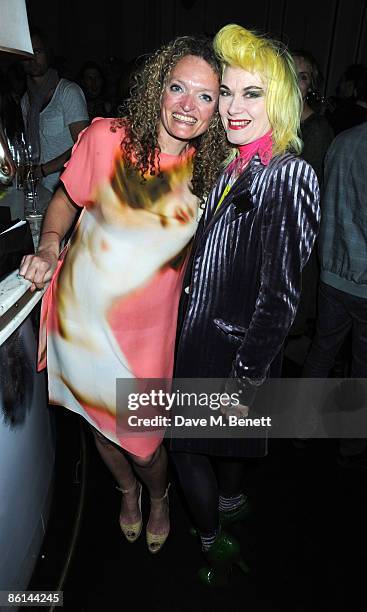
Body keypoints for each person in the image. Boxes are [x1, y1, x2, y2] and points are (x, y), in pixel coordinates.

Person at [19, 36, 229, 554]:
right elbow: (67, 200)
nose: (188, 105)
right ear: (158, 87)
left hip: (148, 337)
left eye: (205, 96)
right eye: (178, 88)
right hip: (82, 320)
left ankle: (156, 495)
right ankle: (128, 493)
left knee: (143, 443)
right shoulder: (106, 138)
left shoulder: (213, 174)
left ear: (218, 108)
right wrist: (48, 246)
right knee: (99, 423)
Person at [170, 24, 320, 585]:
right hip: (207, 344)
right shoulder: (237, 164)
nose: (233, 107)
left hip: (230, 357)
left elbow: (281, 297)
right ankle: (229, 505)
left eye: (250, 93)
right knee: (213, 449)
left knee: (184, 451)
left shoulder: (288, 173)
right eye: (227, 92)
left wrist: (245, 378)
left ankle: (214, 545)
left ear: (279, 99)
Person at [302, 120, 367, 469]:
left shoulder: (342, 139)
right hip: (362, 282)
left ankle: (299, 424)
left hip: (332, 270)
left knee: (321, 352)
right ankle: (352, 441)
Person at [288, 51, 334, 339]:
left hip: (298, 239)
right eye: (290, 74)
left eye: (302, 77)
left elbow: (307, 200)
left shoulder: (316, 131)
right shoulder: (284, 125)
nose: (294, 81)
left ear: (311, 87)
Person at [20, 28, 89, 209]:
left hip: (67, 191)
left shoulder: (68, 92)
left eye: (38, 52)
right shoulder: (26, 101)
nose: (32, 59)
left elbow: (84, 144)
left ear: (47, 53)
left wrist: (44, 170)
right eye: (27, 53)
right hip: (38, 190)